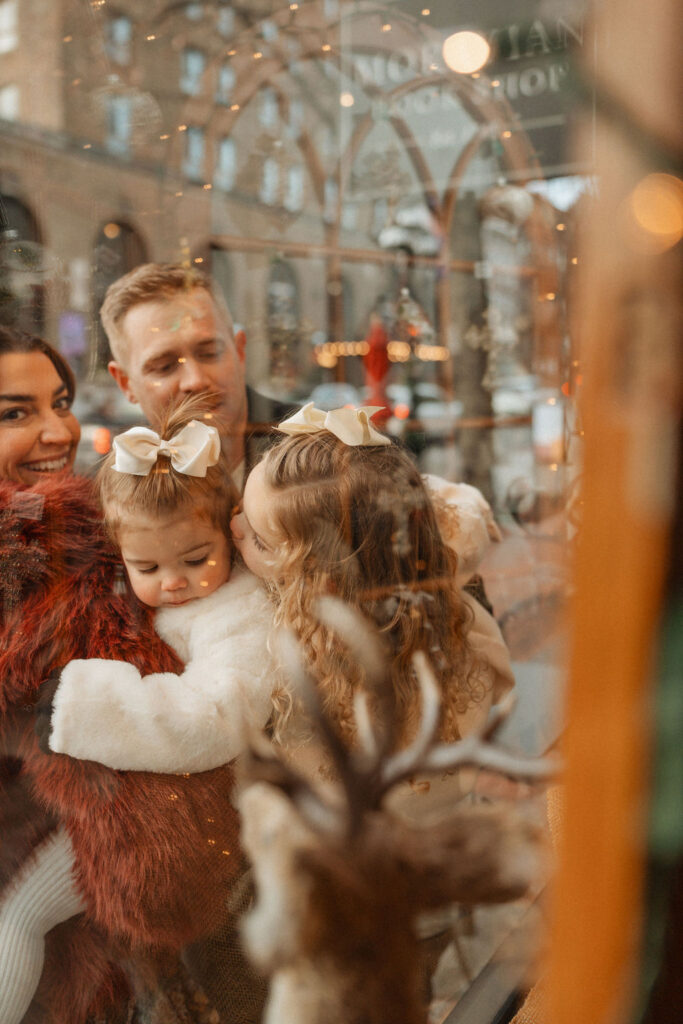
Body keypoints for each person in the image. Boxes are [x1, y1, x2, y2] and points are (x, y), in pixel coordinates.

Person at [1, 395, 277, 1024]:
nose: (173, 581)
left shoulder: (240, 614)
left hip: (169, 818)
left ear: (229, 529)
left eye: (194, 559)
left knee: (21, 915)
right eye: (147, 565)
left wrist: (81, 704)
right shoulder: (132, 584)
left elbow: (209, 718)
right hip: (120, 797)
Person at [228, 404, 514, 781]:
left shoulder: (302, 672)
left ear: (321, 584)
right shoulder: (445, 604)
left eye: (260, 542)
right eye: (241, 509)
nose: (233, 526)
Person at [101, 262, 296, 478]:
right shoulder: (124, 485)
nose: (195, 380)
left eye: (210, 353)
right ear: (125, 383)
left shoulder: (313, 451)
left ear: (240, 352)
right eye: (164, 367)